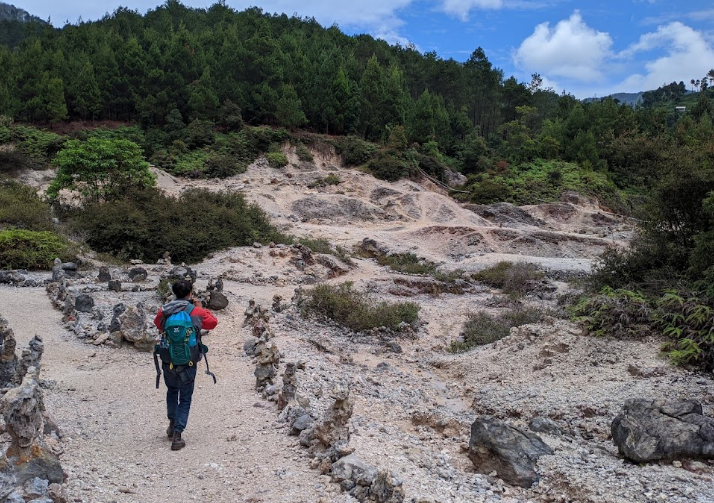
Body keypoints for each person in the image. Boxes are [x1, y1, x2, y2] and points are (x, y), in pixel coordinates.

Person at [154, 280, 218, 451]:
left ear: (174, 292)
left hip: (168, 359)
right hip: (188, 360)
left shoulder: (165, 310)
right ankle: (177, 434)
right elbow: (212, 323)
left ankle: (171, 423)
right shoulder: (195, 311)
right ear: (190, 293)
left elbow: (158, 325)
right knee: (186, 396)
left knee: (172, 391)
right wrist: (201, 307)